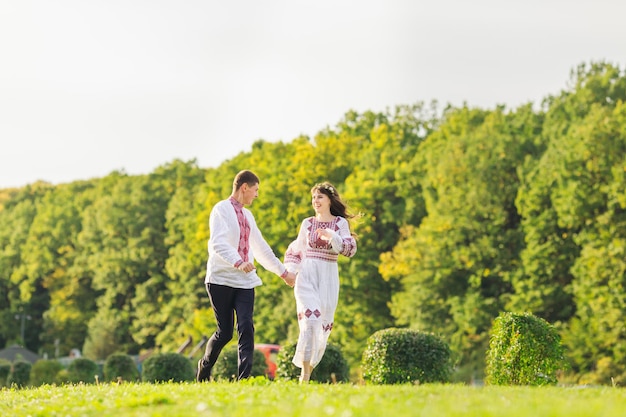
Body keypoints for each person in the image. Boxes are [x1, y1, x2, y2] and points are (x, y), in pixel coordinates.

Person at [197, 170, 296, 382]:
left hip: (244, 282)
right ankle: (204, 369)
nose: (257, 195)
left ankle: (244, 379)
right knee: (225, 333)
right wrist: (238, 262)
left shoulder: (248, 216)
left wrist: (283, 272)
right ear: (244, 187)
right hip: (221, 280)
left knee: (246, 326)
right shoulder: (221, 210)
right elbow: (218, 243)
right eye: (256, 190)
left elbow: (261, 249)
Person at [284, 181, 357, 383]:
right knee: (310, 321)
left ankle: (310, 367)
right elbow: (297, 248)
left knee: (321, 328)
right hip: (306, 275)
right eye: (313, 198)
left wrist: (332, 236)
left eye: (320, 197)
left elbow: (349, 250)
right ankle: (304, 373)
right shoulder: (307, 223)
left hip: (327, 278)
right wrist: (290, 272)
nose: (315, 201)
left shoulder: (340, 224)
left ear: (329, 200)